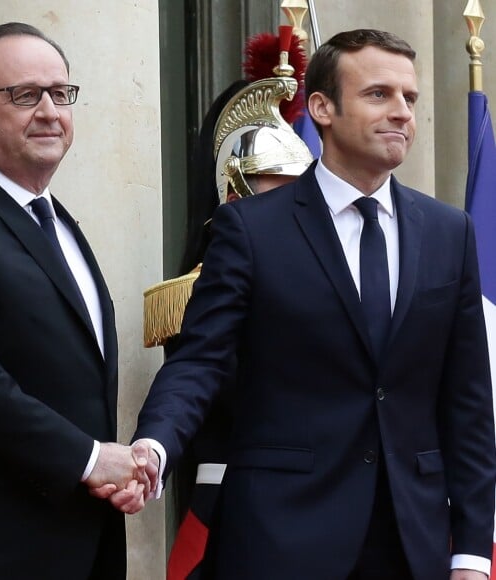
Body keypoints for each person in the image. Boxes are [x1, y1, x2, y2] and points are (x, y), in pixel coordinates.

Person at [131, 29, 496, 579]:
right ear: (321, 108)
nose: (401, 113)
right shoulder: (251, 229)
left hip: (411, 543)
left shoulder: (450, 232)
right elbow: (200, 361)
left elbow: (468, 404)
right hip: (280, 539)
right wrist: (155, 445)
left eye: (410, 99)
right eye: (379, 94)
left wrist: (470, 553)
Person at [0, 22, 150, 580]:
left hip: (82, 544)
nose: (50, 111)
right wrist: (91, 459)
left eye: (61, 94)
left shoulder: (60, 223)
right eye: (25, 95)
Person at [144, 30, 313, 580]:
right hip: (230, 505)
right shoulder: (196, 288)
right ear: (235, 192)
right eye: (278, 188)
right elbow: (202, 377)